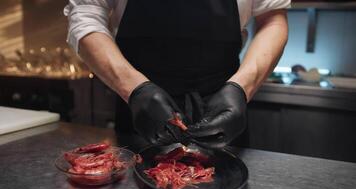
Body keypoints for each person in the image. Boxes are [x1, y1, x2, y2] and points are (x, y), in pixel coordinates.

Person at [64, 0, 290, 151]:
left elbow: (272, 20)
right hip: (140, 106)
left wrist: (242, 88)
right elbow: (85, 14)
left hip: (223, 104)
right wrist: (134, 89)